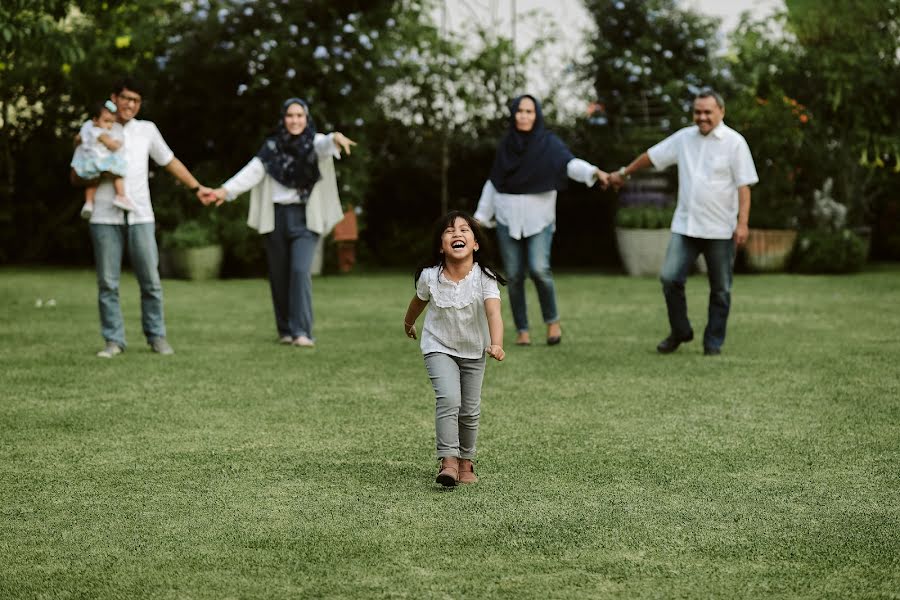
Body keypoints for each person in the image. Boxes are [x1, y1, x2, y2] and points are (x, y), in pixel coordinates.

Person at [608, 89, 759, 356]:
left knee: (721, 289)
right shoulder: (684, 138)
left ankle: (713, 343)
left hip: (720, 229)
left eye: (707, 112)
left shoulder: (735, 143)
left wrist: (742, 223)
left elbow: (744, 187)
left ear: (721, 112)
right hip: (686, 226)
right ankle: (680, 331)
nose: (701, 117)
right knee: (669, 278)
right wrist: (623, 173)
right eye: (697, 112)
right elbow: (652, 156)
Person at [73, 78, 213, 358]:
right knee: (108, 283)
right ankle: (113, 340)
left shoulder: (146, 131)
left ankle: (156, 336)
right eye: (126, 98)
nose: (130, 105)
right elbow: (75, 175)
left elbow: (169, 161)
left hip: (140, 215)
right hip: (103, 215)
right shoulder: (92, 129)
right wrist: (105, 173)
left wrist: (196, 187)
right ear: (115, 98)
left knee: (151, 280)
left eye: (136, 101)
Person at [203, 98, 356, 347]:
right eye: (290, 115)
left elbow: (326, 143)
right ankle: (285, 330)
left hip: (306, 219)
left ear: (306, 119)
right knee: (279, 275)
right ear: (283, 119)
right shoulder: (272, 147)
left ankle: (302, 331)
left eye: (299, 115)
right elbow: (252, 171)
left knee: (299, 271)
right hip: (275, 218)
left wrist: (336, 137)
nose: (295, 120)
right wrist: (224, 191)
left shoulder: (314, 143)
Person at [474, 94, 609, 347]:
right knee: (513, 276)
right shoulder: (506, 146)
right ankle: (522, 330)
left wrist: (593, 172)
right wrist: (480, 217)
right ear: (513, 115)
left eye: (529, 111)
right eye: (520, 111)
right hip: (507, 217)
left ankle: (552, 322)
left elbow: (569, 165)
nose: (524, 115)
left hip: (540, 219)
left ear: (537, 115)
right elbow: (494, 181)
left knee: (539, 270)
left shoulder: (549, 143)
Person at [403, 210, 506, 487]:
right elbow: (418, 301)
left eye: (464, 230)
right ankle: (448, 460)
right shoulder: (430, 276)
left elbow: (494, 313)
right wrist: (409, 322)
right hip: (439, 346)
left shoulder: (485, 278)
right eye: (449, 231)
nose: (456, 234)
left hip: (474, 350)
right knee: (448, 398)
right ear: (440, 246)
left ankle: (466, 460)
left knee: (469, 409)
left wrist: (496, 343)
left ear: (475, 244)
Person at [71, 99, 134, 220]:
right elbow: (112, 146)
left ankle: (89, 203)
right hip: (99, 162)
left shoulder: (87, 127)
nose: (109, 126)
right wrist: (118, 143)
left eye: (111, 122)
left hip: (86, 164)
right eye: (106, 121)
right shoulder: (100, 132)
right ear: (95, 120)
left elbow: (78, 139)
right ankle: (121, 196)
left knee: (92, 182)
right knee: (118, 172)